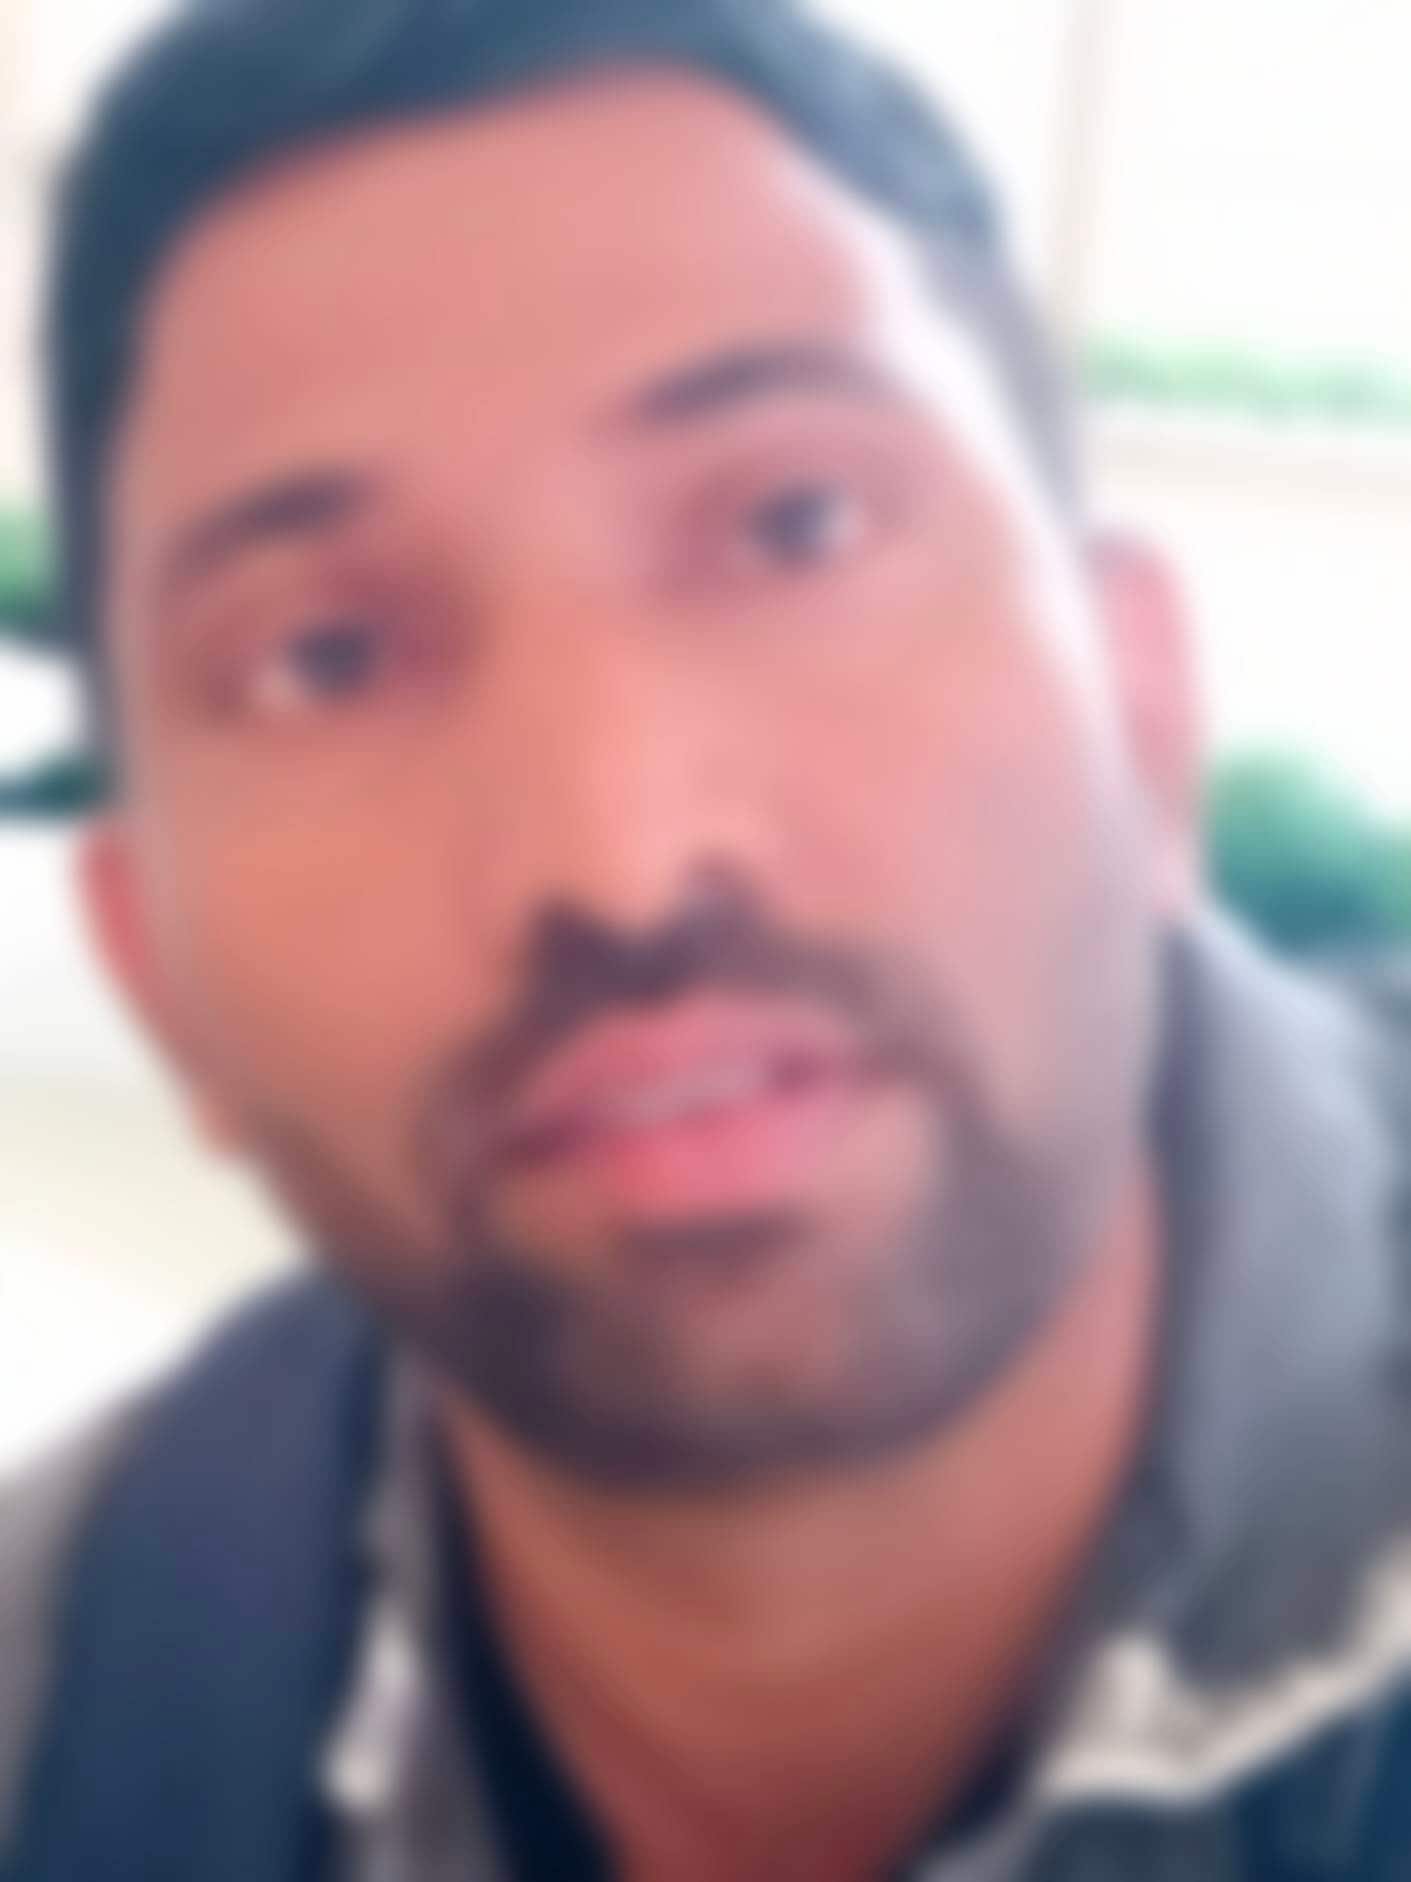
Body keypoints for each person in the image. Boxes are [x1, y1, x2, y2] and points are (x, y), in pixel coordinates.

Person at [3, 3, 1410, 1877]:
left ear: (1144, 712)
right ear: (158, 979)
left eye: (798, 524)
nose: (621, 853)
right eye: (324, 657)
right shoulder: (56, 1699)